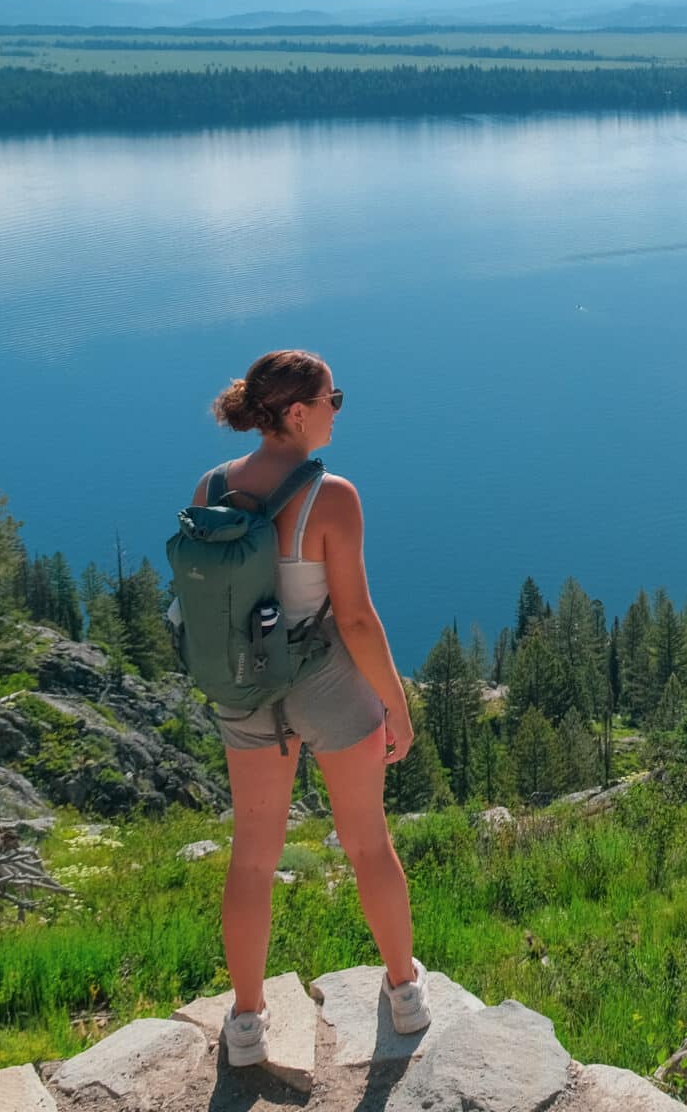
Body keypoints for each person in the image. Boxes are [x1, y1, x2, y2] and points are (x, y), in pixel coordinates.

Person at [196, 348, 430, 1064]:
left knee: (252, 858)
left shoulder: (212, 485)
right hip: (325, 683)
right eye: (334, 398)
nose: (338, 408)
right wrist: (396, 705)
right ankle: (403, 992)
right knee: (366, 841)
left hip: (244, 687)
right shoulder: (333, 497)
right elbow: (355, 620)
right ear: (298, 413)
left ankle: (245, 1022)